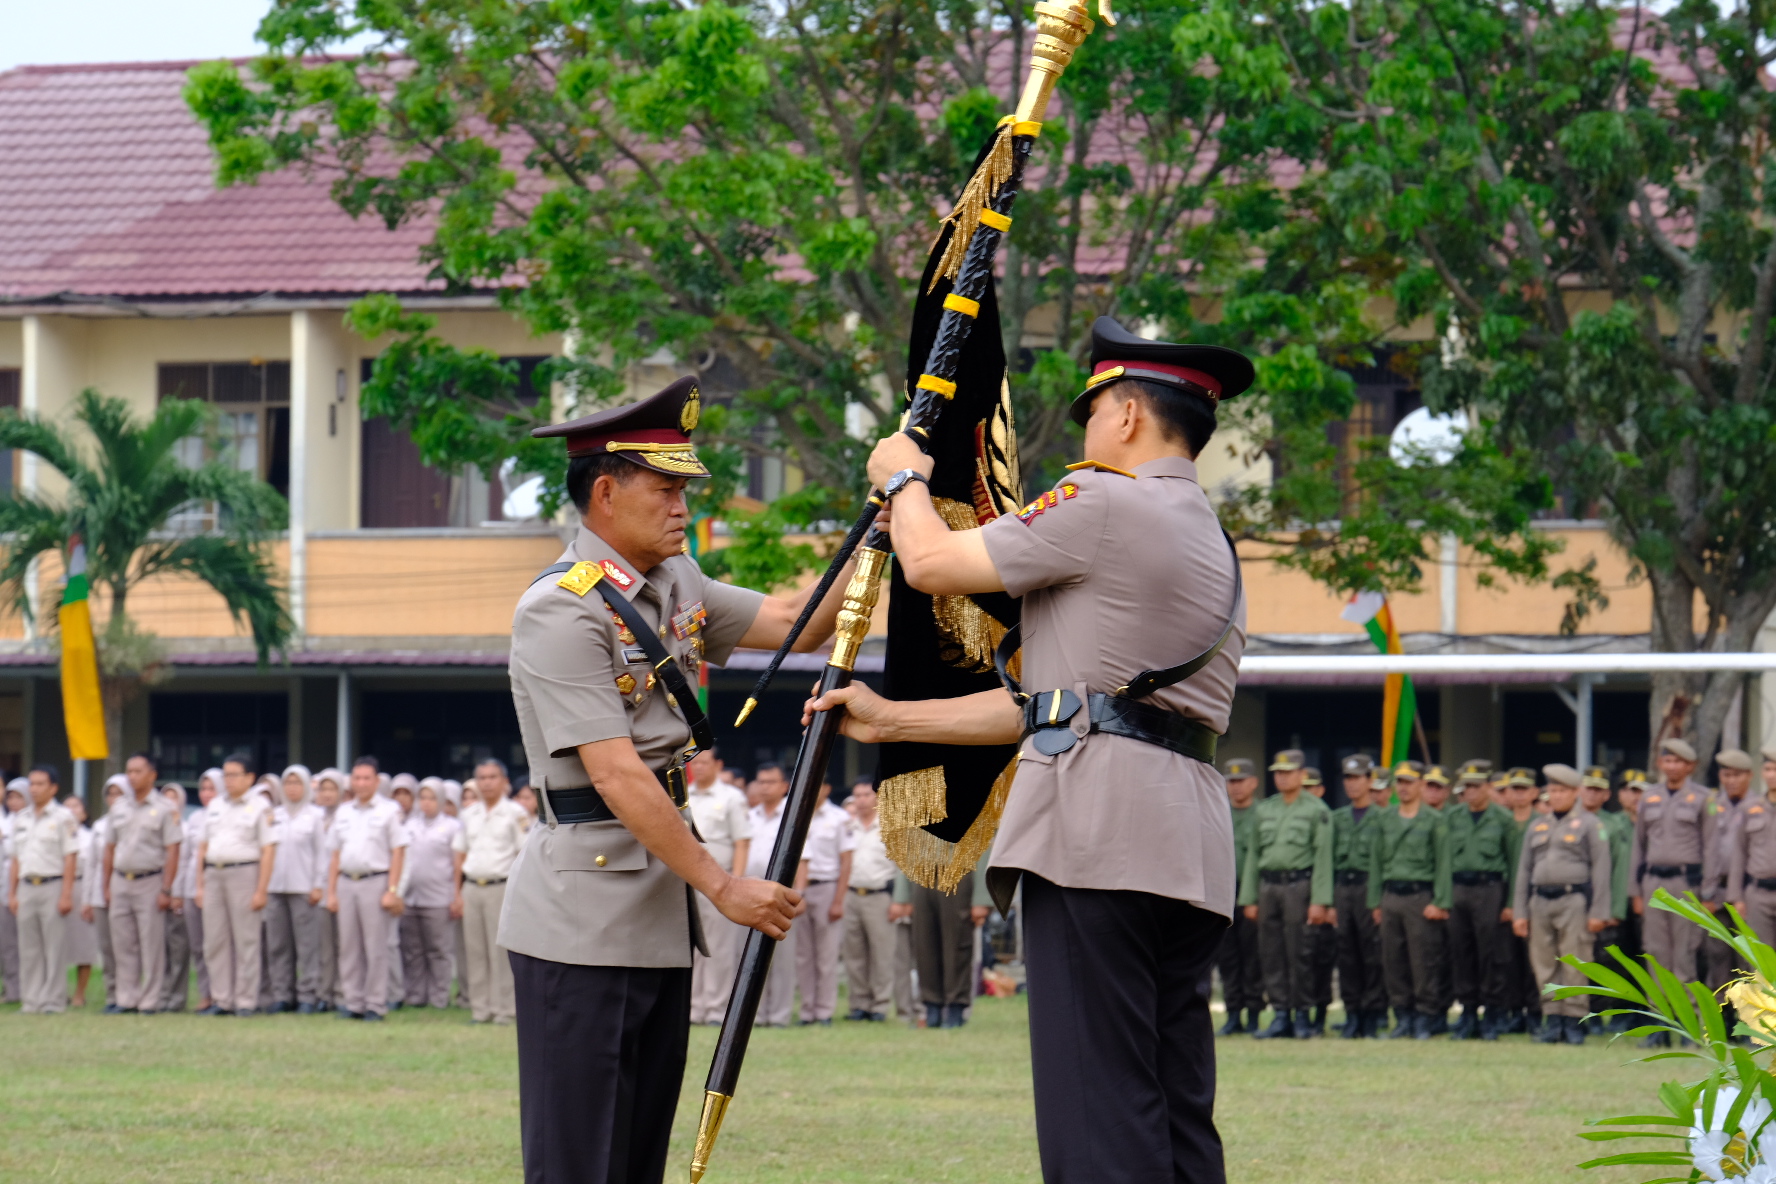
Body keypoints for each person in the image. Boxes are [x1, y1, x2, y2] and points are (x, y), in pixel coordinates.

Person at [806, 318, 1252, 1183]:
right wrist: (895, 720)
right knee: (1171, 1102)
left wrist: (902, 474)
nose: (1086, 431)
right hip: (1184, 843)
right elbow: (1054, 707)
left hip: (1094, 834)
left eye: (1093, 410)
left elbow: (929, 563)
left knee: (1098, 1108)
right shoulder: (1209, 535)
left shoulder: (1103, 501)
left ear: (1126, 415)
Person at [504, 377, 822, 1184]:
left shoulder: (676, 583)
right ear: (605, 493)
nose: (684, 504)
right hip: (584, 913)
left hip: (652, 909)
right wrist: (722, 885)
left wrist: (884, 539)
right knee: (581, 1161)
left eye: (687, 487)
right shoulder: (562, 609)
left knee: (636, 1157)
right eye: (667, 487)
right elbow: (614, 772)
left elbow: (803, 626)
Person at [1512, 764, 1612, 1045]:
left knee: (1575, 961)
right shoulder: (1538, 825)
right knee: (1543, 963)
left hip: (1574, 901)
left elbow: (1601, 870)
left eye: (1561, 791)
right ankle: (1552, 1018)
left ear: (1576, 793)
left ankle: (1574, 1020)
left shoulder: (1591, 824)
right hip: (1539, 901)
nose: (1555, 796)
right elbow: (1523, 872)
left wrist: (1599, 912)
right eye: (1552, 790)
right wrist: (1520, 912)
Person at [1238, 748, 1333, 1040]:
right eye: (1277, 772)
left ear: (1302, 775)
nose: (1282, 777)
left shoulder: (1317, 810)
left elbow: (1323, 858)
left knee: (1300, 952)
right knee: (1271, 953)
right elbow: (1254, 855)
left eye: (1288, 772)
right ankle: (1280, 1013)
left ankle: (1302, 1015)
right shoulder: (1265, 809)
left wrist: (1320, 900)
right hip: (1269, 887)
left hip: (1299, 887)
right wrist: (1249, 898)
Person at [1634, 737, 1717, 1045]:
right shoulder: (1649, 797)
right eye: (1667, 761)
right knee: (1656, 955)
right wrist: (1635, 891)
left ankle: (1688, 1025)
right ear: (1660, 764)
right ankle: (1658, 1025)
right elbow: (1638, 847)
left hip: (1686, 884)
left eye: (1678, 762)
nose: (1671, 766)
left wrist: (1708, 891)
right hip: (1653, 882)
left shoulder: (1702, 798)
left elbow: (1711, 847)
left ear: (1689, 766)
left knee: (1684, 956)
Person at [1368, 760, 1452, 1039]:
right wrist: (1375, 902)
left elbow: (1443, 864)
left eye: (1409, 782)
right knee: (1393, 959)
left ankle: (1424, 1017)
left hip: (1420, 896)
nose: (1403, 788)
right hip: (1391, 895)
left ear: (1420, 784)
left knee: (1423, 959)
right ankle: (1402, 1016)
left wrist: (1440, 901)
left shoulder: (1434, 820)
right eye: (1399, 782)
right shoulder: (1385, 819)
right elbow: (1376, 862)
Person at [326, 755, 408, 1021]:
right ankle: (353, 1002)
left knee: (376, 947)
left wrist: (392, 890)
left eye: (366, 778)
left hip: (376, 881)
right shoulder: (344, 811)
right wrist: (331, 891)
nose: (361, 783)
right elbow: (335, 855)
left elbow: (398, 852)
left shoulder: (388, 810)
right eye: (357, 778)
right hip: (346, 882)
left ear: (376, 781)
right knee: (348, 947)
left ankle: (375, 1004)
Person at [196, 753, 278, 1016]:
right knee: (215, 941)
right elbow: (203, 847)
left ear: (249, 778)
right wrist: (200, 885)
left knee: (246, 940)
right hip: (214, 874)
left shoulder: (260, 807)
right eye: (226, 775)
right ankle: (222, 999)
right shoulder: (216, 805)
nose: (228, 780)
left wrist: (261, 889)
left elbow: (268, 850)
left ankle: (245, 1000)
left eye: (234, 775)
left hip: (244, 873)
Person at [101, 752, 182, 1015]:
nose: (132, 777)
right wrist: (106, 885)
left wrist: (166, 889)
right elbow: (110, 848)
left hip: (150, 880)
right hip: (121, 879)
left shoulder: (165, 808)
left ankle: (150, 1000)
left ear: (152, 775)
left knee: (151, 944)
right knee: (123, 943)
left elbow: (173, 851)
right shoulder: (119, 807)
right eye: (129, 771)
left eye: (138, 771)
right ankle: (127, 998)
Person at [453, 758, 526, 1024]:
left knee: (500, 952)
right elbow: (459, 855)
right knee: (474, 951)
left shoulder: (515, 813)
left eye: (492, 777)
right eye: (481, 777)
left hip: (501, 887)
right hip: (472, 886)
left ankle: (504, 1009)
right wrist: (457, 893)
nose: (487, 782)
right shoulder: (468, 814)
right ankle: (480, 1009)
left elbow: (522, 854)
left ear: (505, 781)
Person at [1444, 759, 1513, 1039]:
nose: (1470, 791)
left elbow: (1514, 861)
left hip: (1489, 889)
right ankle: (1468, 1013)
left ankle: (1492, 1015)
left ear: (1487, 787)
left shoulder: (1503, 819)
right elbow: (1444, 861)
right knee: (1462, 953)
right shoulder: (1453, 817)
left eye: (1475, 786)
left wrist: (1509, 904)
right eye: (1466, 787)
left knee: (1491, 954)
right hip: (1459, 889)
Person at [685, 749, 751, 1025]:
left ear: (718, 765)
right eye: (694, 763)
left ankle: (715, 1009)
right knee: (689, 949)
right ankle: (693, 1008)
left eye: (704, 762)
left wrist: (734, 882)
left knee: (719, 948)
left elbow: (742, 842)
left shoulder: (731, 798)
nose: (698, 768)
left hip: (719, 880)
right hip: (686, 881)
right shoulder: (683, 794)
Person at [8, 765, 77, 1013]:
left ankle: (53, 1001)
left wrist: (66, 894)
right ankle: (31, 1000)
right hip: (27, 886)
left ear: (53, 788)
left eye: (40, 784)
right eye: (32, 784)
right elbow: (15, 859)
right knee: (29, 948)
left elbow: (70, 857)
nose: (34, 789)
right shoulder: (22, 818)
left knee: (54, 947)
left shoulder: (63, 817)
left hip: (52, 884)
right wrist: (12, 893)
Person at [1329, 754, 1385, 1038]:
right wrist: (1328, 901)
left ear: (1370, 781)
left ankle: (1372, 1016)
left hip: (1368, 887)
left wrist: (1378, 899)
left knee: (1372, 953)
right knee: (1347, 954)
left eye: (1357, 778)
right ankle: (1352, 1014)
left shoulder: (1383, 817)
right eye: (1347, 778)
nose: (1351, 784)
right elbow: (1327, 861)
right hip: (1343, 887)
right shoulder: (1337, 818)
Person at [263, 764, 327, 1013]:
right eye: (288, 783)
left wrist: (317, 885)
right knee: (278, 945)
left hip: (303, 888)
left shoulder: (315, 816)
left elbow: (322, 854)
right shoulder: (273, 814)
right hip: (275, 888)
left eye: (297, 783)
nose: (292, 788)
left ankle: (307, 995)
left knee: (307, 946)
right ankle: (282, 994)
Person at [795, 778, 856, 1026]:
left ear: (828, 788)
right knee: (803, 955)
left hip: (827, 887)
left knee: (826, 955)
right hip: (798, 889)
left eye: (819, 784)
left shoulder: (839, 818)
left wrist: (838, 900)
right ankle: (807, 1009)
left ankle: (824, 1011)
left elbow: (847, 862)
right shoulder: (795, 811)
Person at [745, 763, 799, 1028]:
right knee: (749, 956)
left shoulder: (793, 815)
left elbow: (804, 859)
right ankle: (756, 1013)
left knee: (782, 958)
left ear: (784, 786)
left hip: (782, 892)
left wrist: (799, 895)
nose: (764, 787)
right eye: (760, 781)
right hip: (750, 893)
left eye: (770, 782)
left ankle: (779, 1015)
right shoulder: (749, 815)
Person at [400, 780, 460, 1009]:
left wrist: (456, 895)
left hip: (438, 898)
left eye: (432, 798)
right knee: (413, 950)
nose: (426, 803)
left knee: (438, 950)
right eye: (423, 798)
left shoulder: (452, 826)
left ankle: (439, 996)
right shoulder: (409, 825)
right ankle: (416, 995)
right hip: (411, 897)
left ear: (442, 801)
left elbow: (456, 865)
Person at [842, 778, 898, 1022]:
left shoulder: (890, 826)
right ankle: (859, 1004)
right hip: (850, 894)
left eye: (866, 795)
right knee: (853, 954)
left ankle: (880, 1005)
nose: (862, 800)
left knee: (881, 953)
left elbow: (901, 866)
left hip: (879, 896)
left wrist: (898, 900)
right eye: (857, 796)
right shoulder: (846, 827)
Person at [1216, 757, 1265, 1035]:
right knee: (1228, 956)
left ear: (1253, 782)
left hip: (1253, 894)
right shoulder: (1219, 811)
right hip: (1224, 891)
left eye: (1240, 781)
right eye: (1230, 781)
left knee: (1253, 956)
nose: (1235, 787)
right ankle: (1233, 1013)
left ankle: (1255, 1012)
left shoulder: (1264, 813)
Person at [1706, 749, 1757, 992]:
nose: (1731, 781)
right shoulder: (1712, 806)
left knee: (1748, 957)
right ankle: (1721, 1013)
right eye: (1726, 775)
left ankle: (1748, 1015)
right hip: (1716, 891)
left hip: (1749, 891)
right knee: (1717, 954)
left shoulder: (1760, 806)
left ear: (1749, 776)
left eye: (1737, 775)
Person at [163, 781, 208, 1013]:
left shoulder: (188, 824)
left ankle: (213, 995)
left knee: (206, 946)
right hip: (184, 888)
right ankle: (168, 994)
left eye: (174, 797)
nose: (169, 802)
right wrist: (177, 891)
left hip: (208, 888)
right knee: (189, 947)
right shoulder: (195, 820)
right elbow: (185, 860)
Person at [89, 775, 128, 1011]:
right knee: (106, 947)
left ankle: (128, 994)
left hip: (125, 888)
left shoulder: (132, 820)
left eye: (119, 793)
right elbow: (94, 863)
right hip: (100, 893)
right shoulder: (99, 826)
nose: (114, 799)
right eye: (110, 794)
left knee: (125, 947)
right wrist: (88, 898)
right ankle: (112, 994)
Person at [63, 796, 100, 1007]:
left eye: (75, 806)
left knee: (84, 944)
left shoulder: (90, 837)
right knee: (56, 944)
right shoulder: (54, 835)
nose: (70, 810)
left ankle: (79, 994)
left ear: (84, 813)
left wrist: (90, 898)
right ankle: (59, 991)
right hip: (58, 887)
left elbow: (94, 867)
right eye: (66, 806)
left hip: (82, 887)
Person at [312, 768, 344, 1011]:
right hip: (318, 888)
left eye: (332, 788)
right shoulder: (312, 817)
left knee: (345, 945)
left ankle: (343, 993)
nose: (327, 794)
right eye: (323, 788)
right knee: (324, 946)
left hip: (343, 887)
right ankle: (324, 993)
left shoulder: (347, 816)